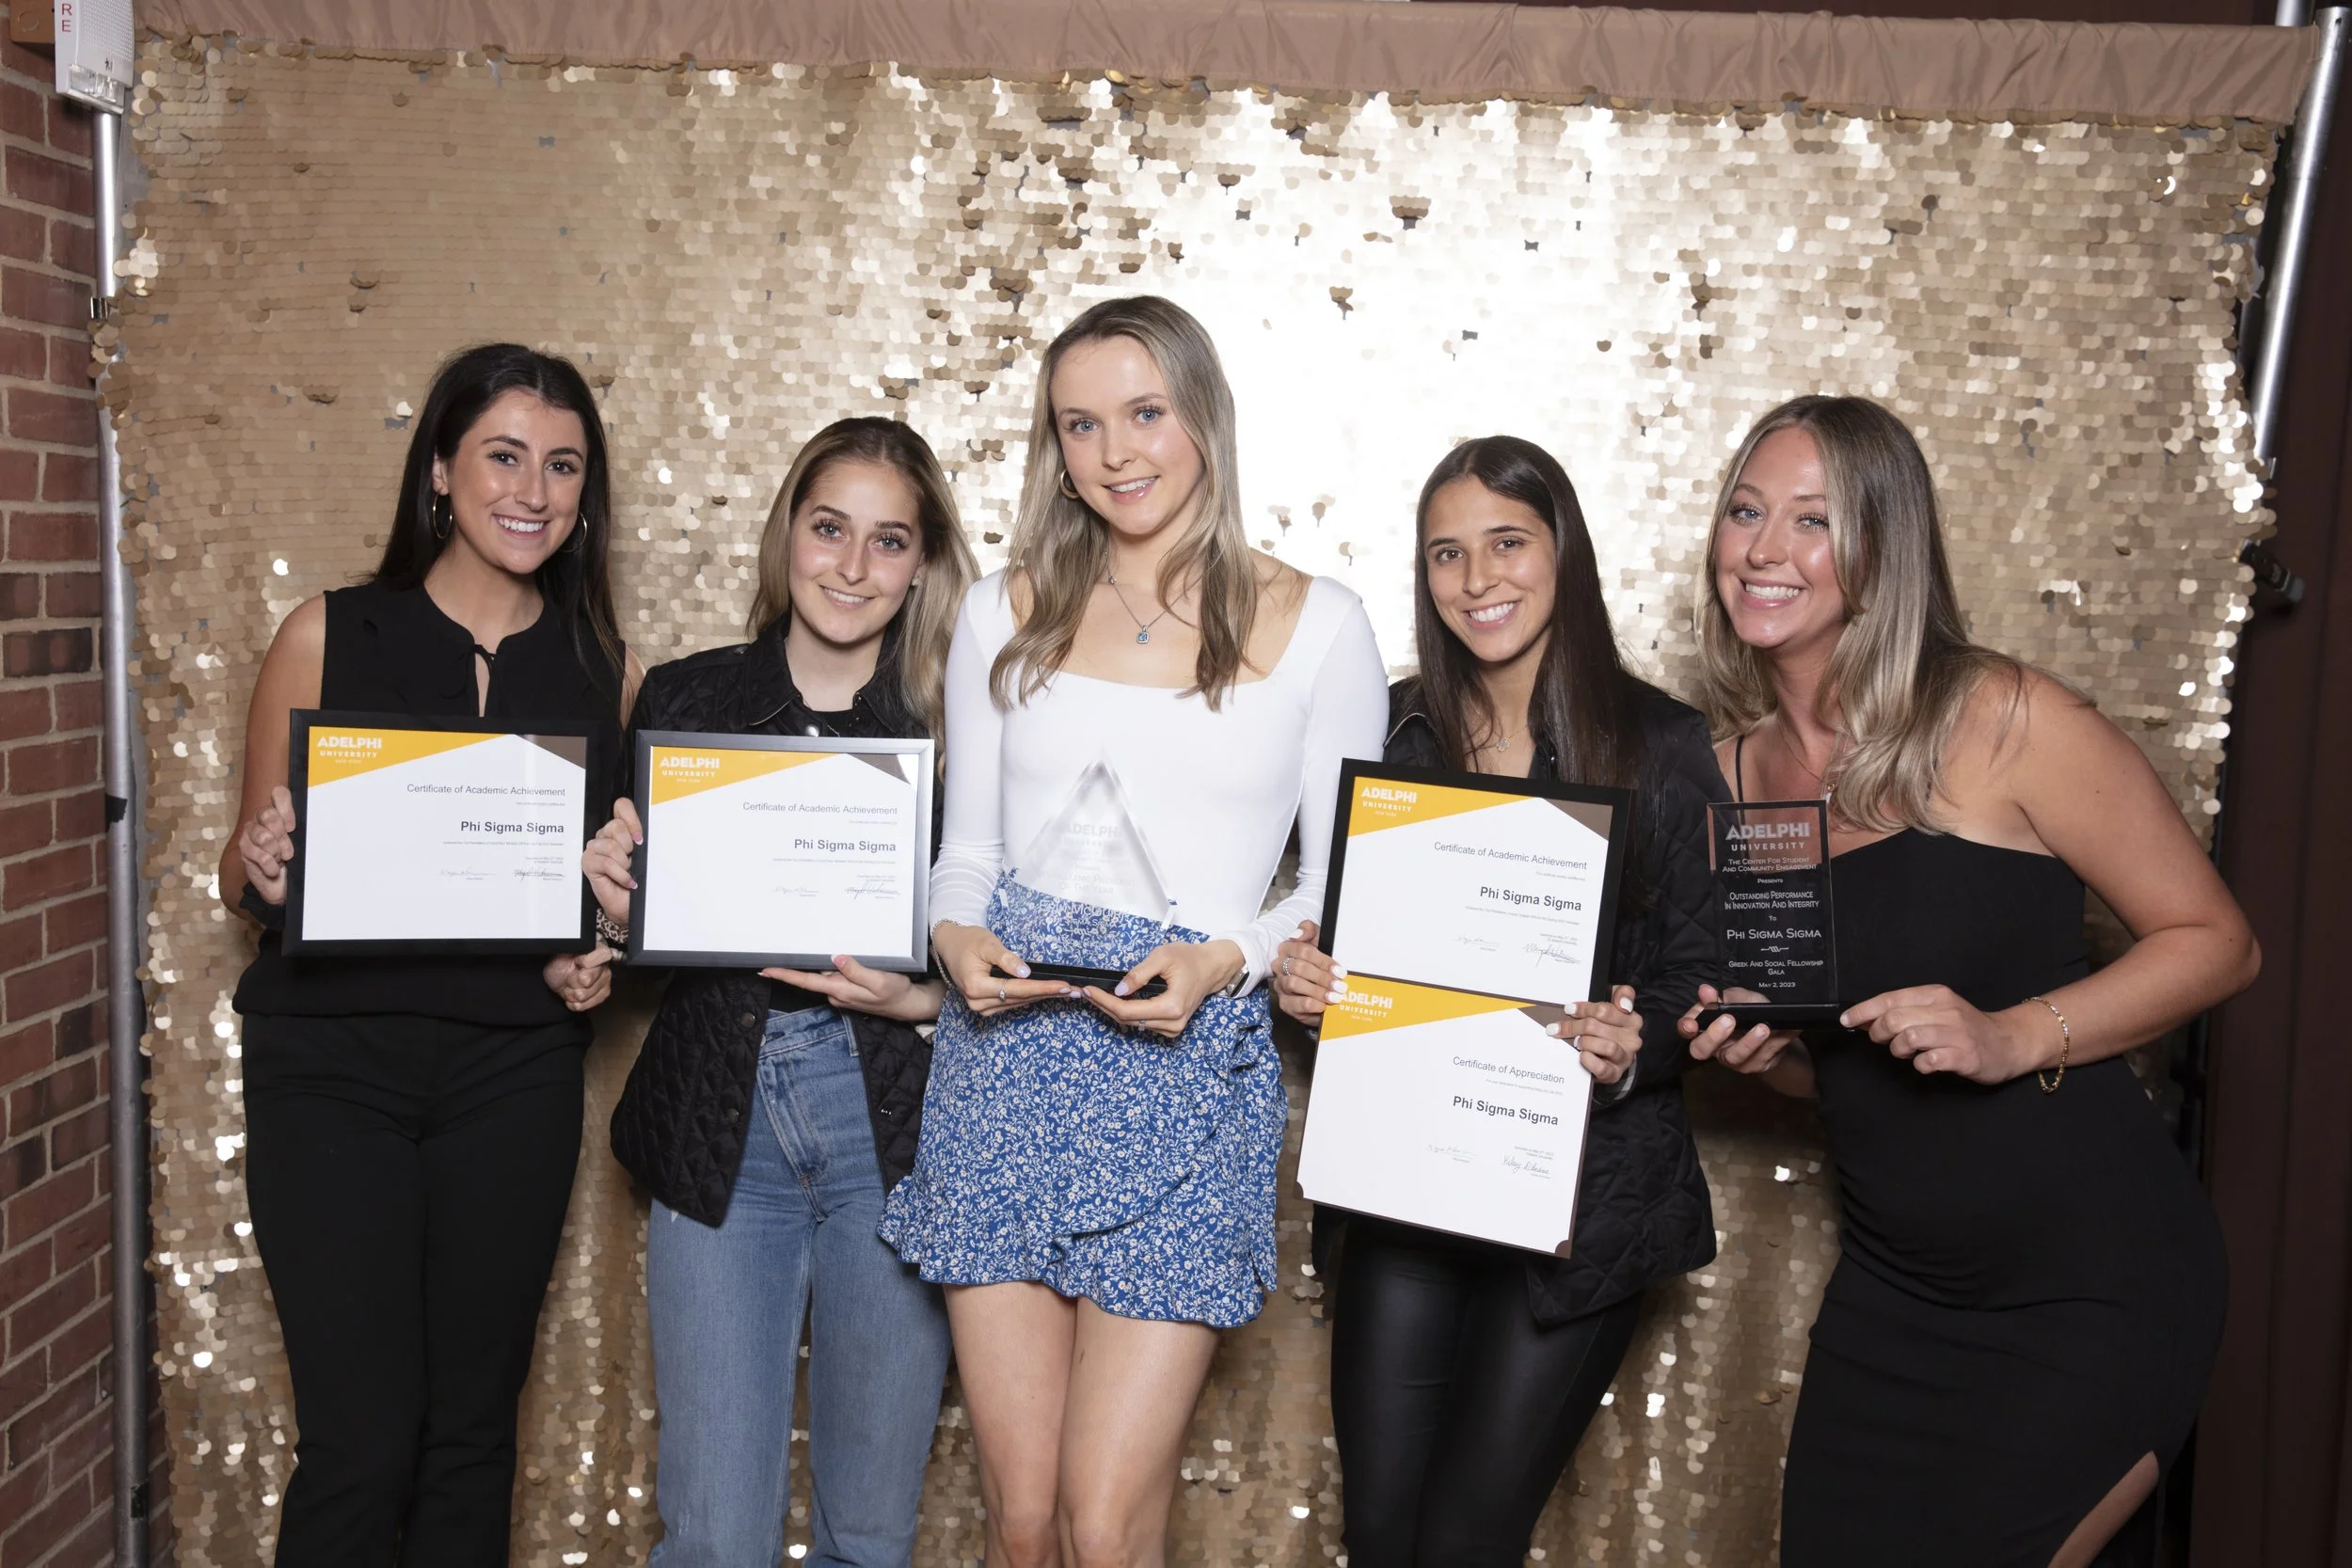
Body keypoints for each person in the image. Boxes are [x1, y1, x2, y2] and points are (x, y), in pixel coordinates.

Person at [1678, 396, 2257, 1568]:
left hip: (2090, 1289)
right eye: (1747, 511)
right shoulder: (1725, 784)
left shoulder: (2000, 719)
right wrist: (1775, 1057)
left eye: (1813, 521)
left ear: (1883, 549)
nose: (1764, 549)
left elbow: (2215, 939)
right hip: (1895, 1296)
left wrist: (2007, 1034)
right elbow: (1844, 1061)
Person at [876, 295, 1389, 1566]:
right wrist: (954, 937)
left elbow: (1342, 883)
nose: (1116, 452)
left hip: (1186, 1068)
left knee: (1106, 1525)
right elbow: (970, 854)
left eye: (1144, 412)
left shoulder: (1322, 624)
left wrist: (1227, 954)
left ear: (1203, 416)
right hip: (1006, 1064)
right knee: (1030, 1519)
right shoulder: (1005, 609)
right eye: (1081, 425)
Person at [1267, 436, 1721, 1566]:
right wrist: (1301, 980)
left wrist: (1636, 1037)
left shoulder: (1661, 743)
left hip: (1578, 1202)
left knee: (1468, 1538)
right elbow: (1310, 922)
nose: (1479, 580)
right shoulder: (1391, 729)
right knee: (1380, 1534)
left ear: (1562, 549)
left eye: (1507, 543)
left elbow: (1697, 968)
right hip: (1404, 1190)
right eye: (1446, 555)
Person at [222, 343, 636, 1567]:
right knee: (360, 1438)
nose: (535, 488)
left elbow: (583, 913)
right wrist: (265, 856)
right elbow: (236, 877)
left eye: (564, 464)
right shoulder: (325, 633)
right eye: (505, 454)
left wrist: (591, 957)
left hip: (512, 1072)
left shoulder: (601, 674)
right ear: (443, 472)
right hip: (329, 1068)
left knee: (469, 1435)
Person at [584, 418, 978, 1567]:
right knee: (712, 1534)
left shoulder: (963, 728)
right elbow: (626, 942)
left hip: (894, 1127)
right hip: (725, 1126)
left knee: (867, 1531)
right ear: (786, 535)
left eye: (889, 540)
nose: (852, 567)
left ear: (922, 563)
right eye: (829, 528)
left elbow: (1004, 948)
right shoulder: (687, 698)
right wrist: (610, 901)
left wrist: (922, 1000)